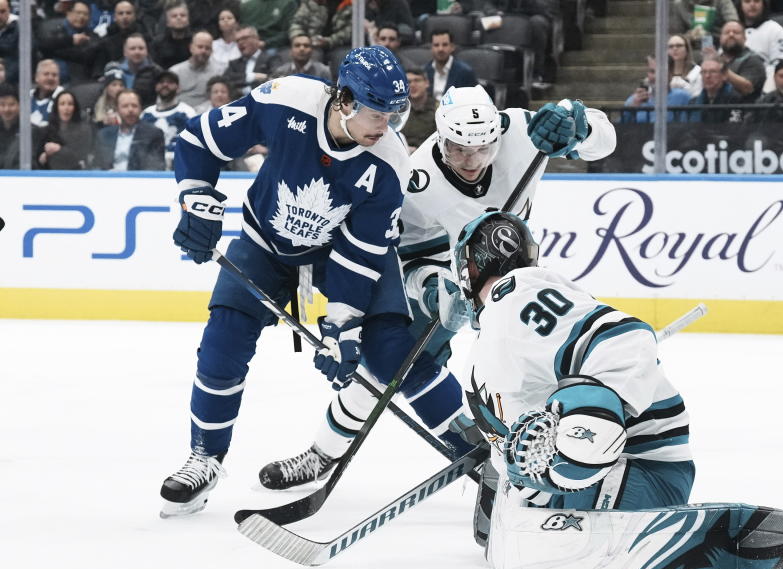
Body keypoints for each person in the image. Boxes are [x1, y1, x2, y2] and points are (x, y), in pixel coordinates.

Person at [256, 85, 616, 493]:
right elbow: (400, 256)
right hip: (448, 278)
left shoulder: (521, 130)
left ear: (496, 134)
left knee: (533, 366)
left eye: (482, 149)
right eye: (459, 149)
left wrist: (579, 125)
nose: (471, 161)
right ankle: (323, 454)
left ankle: (562, 450)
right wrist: (430, 288)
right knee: (384, 370)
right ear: (440, 138)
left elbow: (604, 141)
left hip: (520, 274)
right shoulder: (415, 181)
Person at [158, 46, 418, 518]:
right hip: (263, 242)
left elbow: (359, 256)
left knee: (391, 347)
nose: (386, 127)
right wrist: (195, 197)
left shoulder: (389, 164)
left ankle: (467, 445)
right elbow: (199, 142)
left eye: (393, 115)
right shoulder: (288, 100)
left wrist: (341, 324)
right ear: (344, 100)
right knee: (222, 342)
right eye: (377, 113)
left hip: (333, 254)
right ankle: (205, 458)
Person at [453, 211, 693, 516]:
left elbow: (624, 340)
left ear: (468, 270)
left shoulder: (517, 296)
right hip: (568, 500)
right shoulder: (493, 330)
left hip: (635, 475)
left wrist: (592, 420)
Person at [93, 88, 165, 170]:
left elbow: (155, 168)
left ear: (140, 109)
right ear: (117, 109)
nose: (130, 110)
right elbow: (96, 166)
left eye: (134, 106)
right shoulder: (104, 135)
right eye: (125, 106)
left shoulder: (153, 134)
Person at [141, 70, 196, 169]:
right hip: (148, 165)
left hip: (180, 164)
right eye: (161, 82)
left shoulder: (187, 112)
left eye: (170, 82)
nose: (165, 85)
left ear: (178, 88)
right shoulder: (146, 114)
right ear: (156, 87)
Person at [37, 0, 101, 84]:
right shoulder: (51, 29)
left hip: (78, 82)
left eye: (85, 14)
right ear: (68, 13)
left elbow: (85, 55)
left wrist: (56, 50)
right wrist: (71, 41)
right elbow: (43, 45)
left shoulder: (92, 36)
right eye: (78, 13)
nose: (82, 17)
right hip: (51, 79)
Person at [622, 55, 692, 123]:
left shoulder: (683, 97)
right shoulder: (633, 100)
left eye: (661, 71)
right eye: (652, 71)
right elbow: (619, 129)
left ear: (671, 74)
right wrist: (631, 110)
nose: (656, 76)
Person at [38, 90, 96, 169]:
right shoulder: (47, 131)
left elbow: (80, 157)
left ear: (75, 108)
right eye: (62, 104)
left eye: (70, 104)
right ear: (56, 108)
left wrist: (58, 149)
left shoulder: (85, 130)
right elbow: (38, 158)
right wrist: (42, 157)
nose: (66, 108)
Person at [169, 31, 227, 109]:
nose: (203, 51)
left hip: (207, 116)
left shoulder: (219, 71)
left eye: (207, 48)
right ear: (191, 48)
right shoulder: (175, 72)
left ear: (212, 51)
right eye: (200, 47)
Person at [103, 33, 164, 106]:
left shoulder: (157, 72)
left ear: (146, 51)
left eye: (141, 48)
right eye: (132, 48)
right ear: (125, 52)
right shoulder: (115, 70)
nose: (137, 52)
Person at [712, 20, 767, 101]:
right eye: (727, 32)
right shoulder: (713, 60)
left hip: (744, 109)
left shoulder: (753, 60)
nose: (731, 35)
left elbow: (747, 88)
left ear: (745, 38)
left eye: (736, 32)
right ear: (720, 38)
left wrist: (722, 69)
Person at [738, 0, 783, 78]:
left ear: (763, 4)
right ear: (740, 5)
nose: (752, 4)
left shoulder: (775, 29)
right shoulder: (732, 30)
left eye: (756, 1)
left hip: (766, 83)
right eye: (747, 1)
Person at [425, 30, 478, 100]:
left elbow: (473, 100)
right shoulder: (424, 71)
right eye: (436, 45)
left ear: (452, 47)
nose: (440, 49)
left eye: (445, 45)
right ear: (431, 48)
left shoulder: (465, 72)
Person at [690, 54, 744, 122]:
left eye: (713, 72)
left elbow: (734, 128)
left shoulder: (735, 100)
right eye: (704, 72)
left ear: (724, 75)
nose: (707, 76)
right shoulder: (694, 102)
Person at [0, 83, 42, 169]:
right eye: (2, 105)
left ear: (19, 105)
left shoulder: (32, 131)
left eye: (11, 104)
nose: (6, 109)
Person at [223, 25, 271, 96]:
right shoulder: (234, 64)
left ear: (256, 39)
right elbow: (225, 80)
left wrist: (243, 90)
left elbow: (274, 79)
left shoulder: (271, 58)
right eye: (238, 40)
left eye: (244, 38)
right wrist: (252, 76)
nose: (240, 42)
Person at [400, 67, 436, 151]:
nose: (412, 85)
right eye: (408, 82)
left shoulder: (438, 109)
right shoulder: (399, 109)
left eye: (417, 80)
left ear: (426, 83)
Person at [150, 0, 193, 69]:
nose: (179, 18)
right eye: (174, 16)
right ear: (167, 22)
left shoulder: (194, 41)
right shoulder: (158, 43)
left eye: (183, 15)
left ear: (188, 20)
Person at [30, 60, 65, 127]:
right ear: (36, 77)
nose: (50, 78)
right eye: (46, 74)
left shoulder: (63, 98)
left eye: (54, 75)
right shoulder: (27, 96)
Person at [0, 0, 20, 86]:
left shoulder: (19, 30)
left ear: (9, 11)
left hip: (11, 82)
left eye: (2, 11)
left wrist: (6, 76)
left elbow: (20, 61)